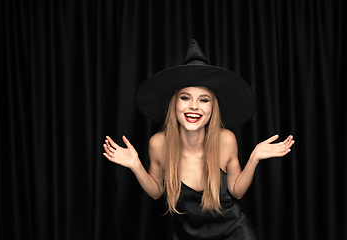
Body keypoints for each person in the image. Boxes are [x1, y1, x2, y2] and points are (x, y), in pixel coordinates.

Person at [103, 39, 295, 240]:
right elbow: (156, 191)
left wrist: (254, 157)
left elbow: (236, 191)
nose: (194, 106)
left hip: (234, 232)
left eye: (204, 100)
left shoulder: (225, 139)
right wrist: (135, 165)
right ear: (173, 104)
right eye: (185, 97)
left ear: (213, 109)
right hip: (186, 234)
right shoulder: (158, 143)